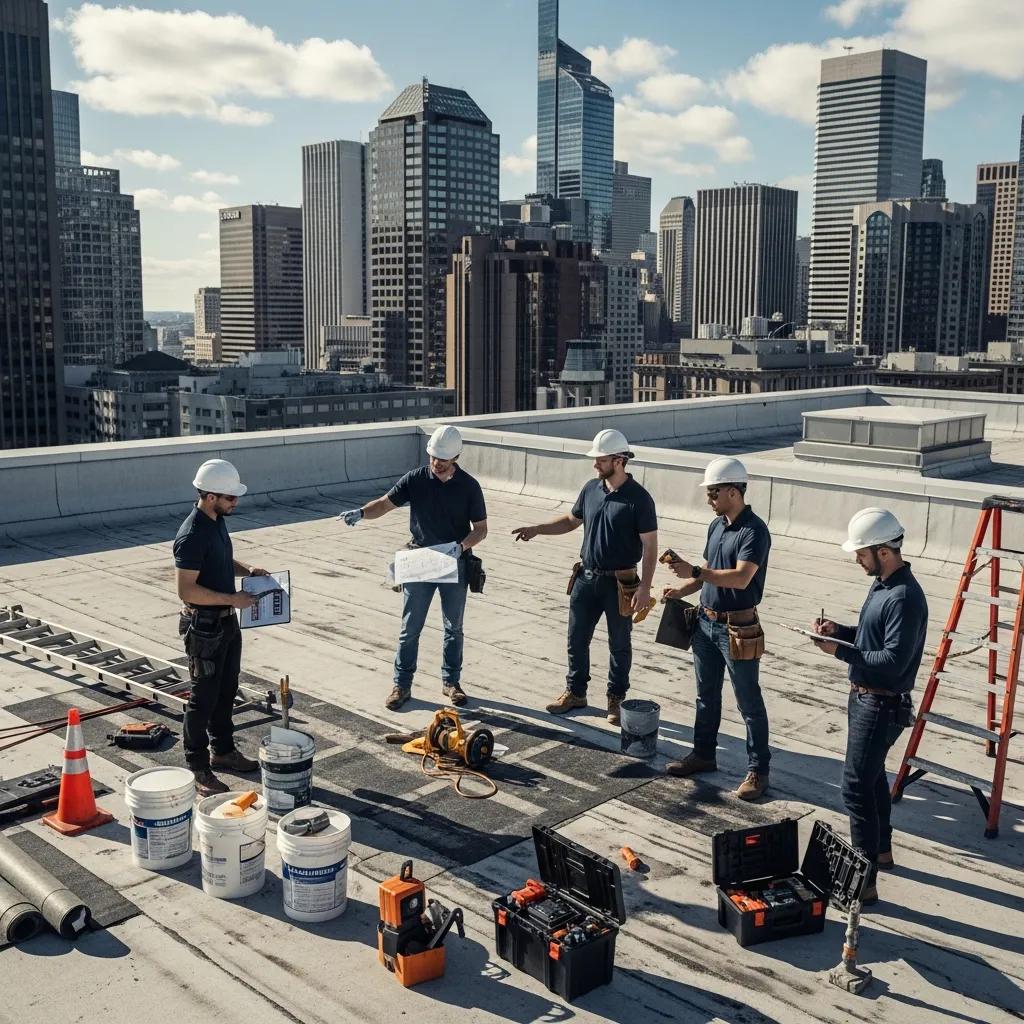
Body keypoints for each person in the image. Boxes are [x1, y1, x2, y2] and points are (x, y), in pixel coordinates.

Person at [812, 507, 926, 903]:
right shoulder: (882, 585)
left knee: (856, 788)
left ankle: (864, 881)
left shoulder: (905, 597)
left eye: (861, 553)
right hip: (865, 699)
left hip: (880, 704)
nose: (857, 559)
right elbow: (870, 636)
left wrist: (839, 653)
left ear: (883, 551)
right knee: (873, 777)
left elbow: (893, 661)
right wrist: (841, 633)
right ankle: (882, 851)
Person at [511, 429, 657, 725]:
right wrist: (538, 528)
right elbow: (571, 520)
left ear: (619, 460)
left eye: (600, 460)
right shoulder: (591, 488)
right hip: (585, 579)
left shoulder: (639, 499)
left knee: (619, 643)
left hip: (621, 584)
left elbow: (650, 545)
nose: (595, 465)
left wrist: (645, 587)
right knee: (576, 639)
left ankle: (616, 699)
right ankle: (576, 693)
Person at [341, 425, 487, 711]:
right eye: (433, 457)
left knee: (453, 627)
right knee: (410, 628)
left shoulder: (469, 486)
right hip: (420, 561)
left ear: (456, 456)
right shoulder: (416, 479)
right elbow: (384, 504)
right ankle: (402, 685)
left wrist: (461, 547)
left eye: (442, 459)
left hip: (453, 562)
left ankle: (451, 682)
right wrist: (361, 513)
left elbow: (480, 530)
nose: (436, 463)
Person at [662, 456, 772, 800]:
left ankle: (758, 770)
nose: (709, 499)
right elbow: (709, 570)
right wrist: (683, 589)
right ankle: (703, 755)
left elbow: (740, 577)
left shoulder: (755, 531)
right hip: (705, 623)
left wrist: (694, 573)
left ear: (733, 492)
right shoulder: (717, 526)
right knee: (705, 697)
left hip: (737, 629)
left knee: (748, 702)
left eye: (713, 493)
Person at [174, 459, 266, 797]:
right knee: (203, 699)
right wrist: (232, 597)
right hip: (204, 628)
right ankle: (198, 767)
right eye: (230, 498)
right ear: (210, 496)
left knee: (227, 690)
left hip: (226, 622)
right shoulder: (192, 534)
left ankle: (223, 751)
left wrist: (248, 570)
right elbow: (187, 589)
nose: (235, 503)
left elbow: (221, 561)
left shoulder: (215, 522)